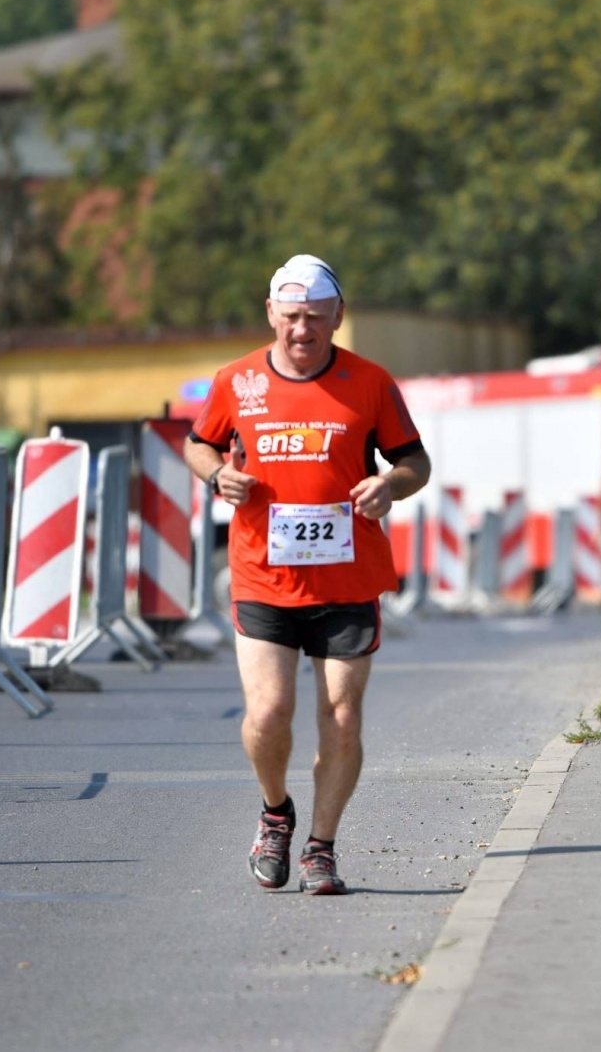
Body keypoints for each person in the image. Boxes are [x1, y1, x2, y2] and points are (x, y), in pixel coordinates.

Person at [185, 254, 431, 893]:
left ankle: (321, 847)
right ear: (271, 313)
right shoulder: (237, 381)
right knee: (268, 711)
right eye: (291, 317)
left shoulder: (371, 383)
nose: (302, 331)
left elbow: (415, 461)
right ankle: (276, 812)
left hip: (347, 581)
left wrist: (390, 485)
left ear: (337, 317)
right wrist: (217, 474)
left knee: (342, 718)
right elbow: (197, 441)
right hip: (264, 573)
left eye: (316, 319)